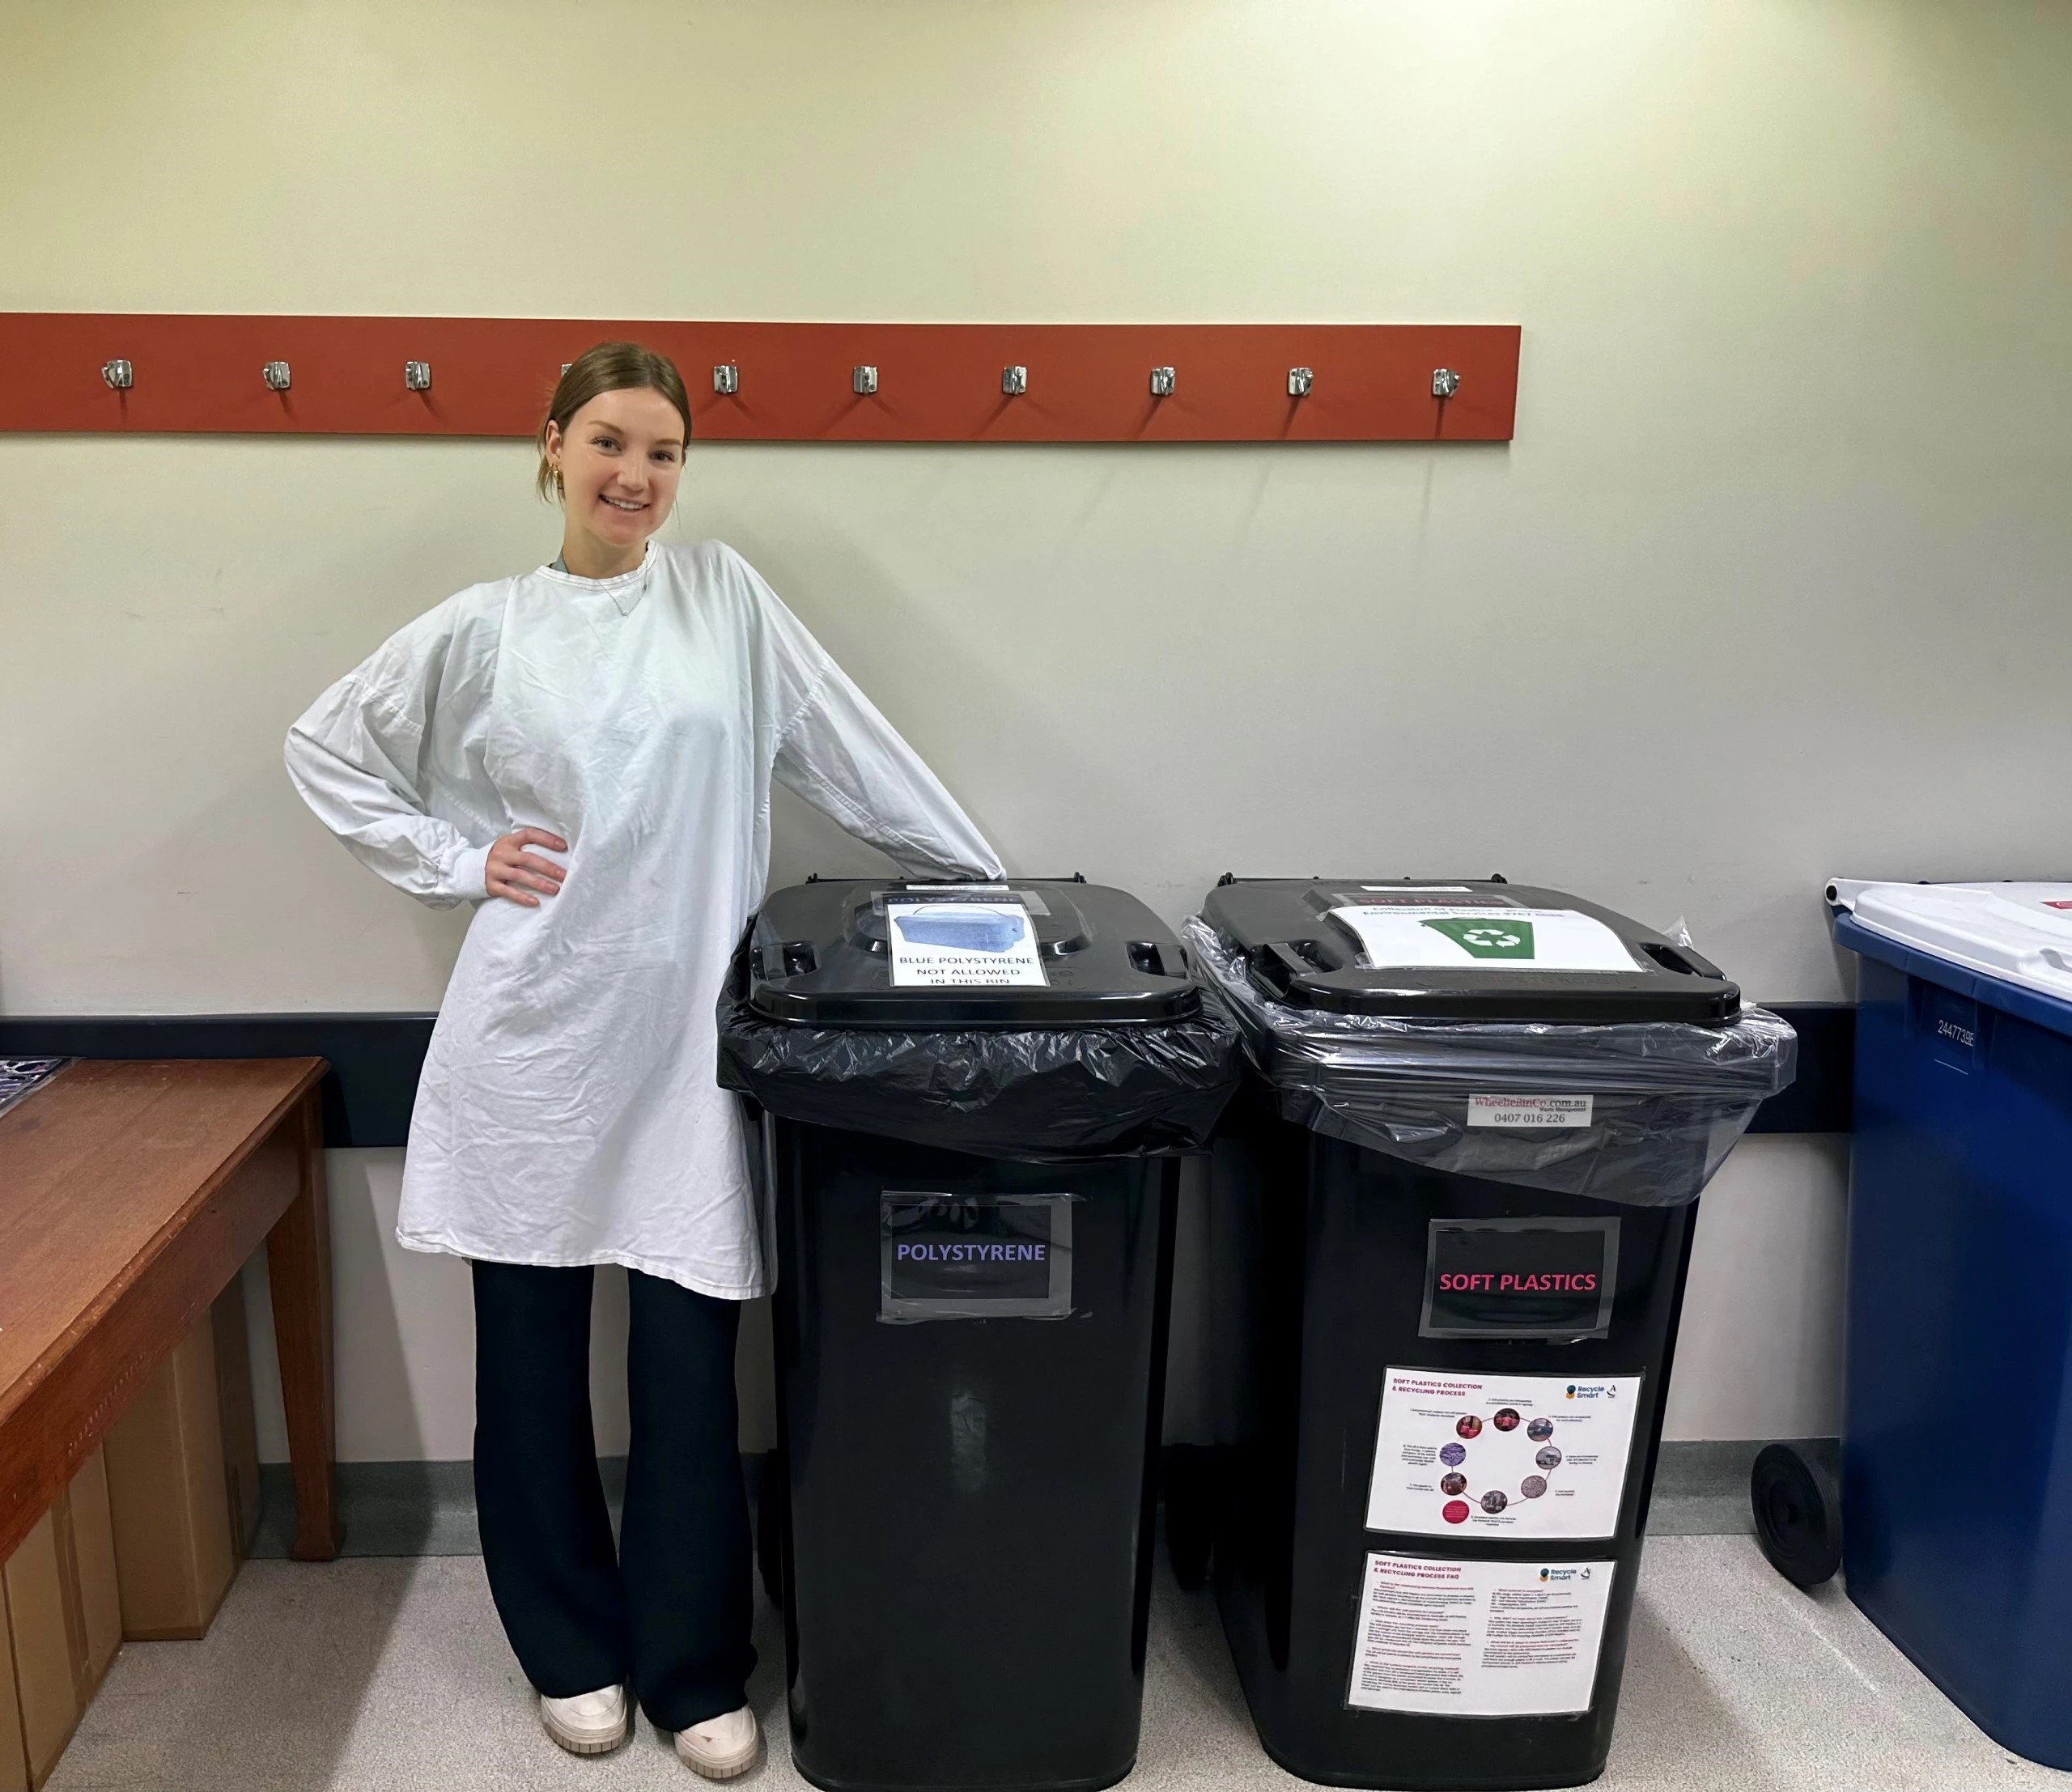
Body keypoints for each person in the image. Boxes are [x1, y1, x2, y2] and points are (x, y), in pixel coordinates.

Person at [284, 342, 1000, 1777]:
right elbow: (324, 746)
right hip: (535, 1037)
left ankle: (692, 1664)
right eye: (610, 442)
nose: (637, 476)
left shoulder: (725, 599)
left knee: (689, 1362)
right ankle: (569, 1648)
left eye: (665, 452)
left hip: (690, 1044)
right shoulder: (487, 628)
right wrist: (454, 855)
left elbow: (849, 753)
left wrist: (994, 889)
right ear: (549, 447)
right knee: (531, 1366)